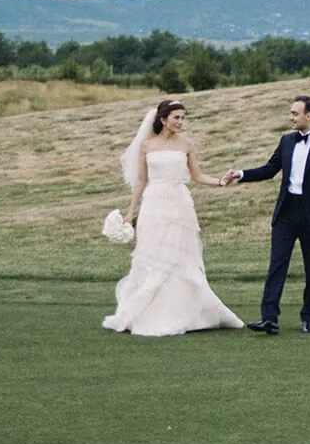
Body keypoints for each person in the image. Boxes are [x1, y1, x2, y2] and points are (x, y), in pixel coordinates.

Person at [103, 99, 245, 337]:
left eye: (182, 117)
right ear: (162, 119)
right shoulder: (147, 146)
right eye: (176, 117)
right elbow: (141, 182)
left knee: (180, 256)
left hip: (179, 205)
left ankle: (186, 312)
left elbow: (197, 176)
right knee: (154, 256)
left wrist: (220, 182)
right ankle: (145, 312)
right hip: (154, 204)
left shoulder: (186, 144)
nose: (180, 122)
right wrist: (130, 211)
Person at [220, 94, 310, 334]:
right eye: (291, 113)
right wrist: (241, 174)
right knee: (277, 264)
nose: (291, 118)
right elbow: (269, 169)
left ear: (309, 116)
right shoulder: (286, 141)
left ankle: (308, 316)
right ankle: (269, 318)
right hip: (286, 212)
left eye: (295, 113)